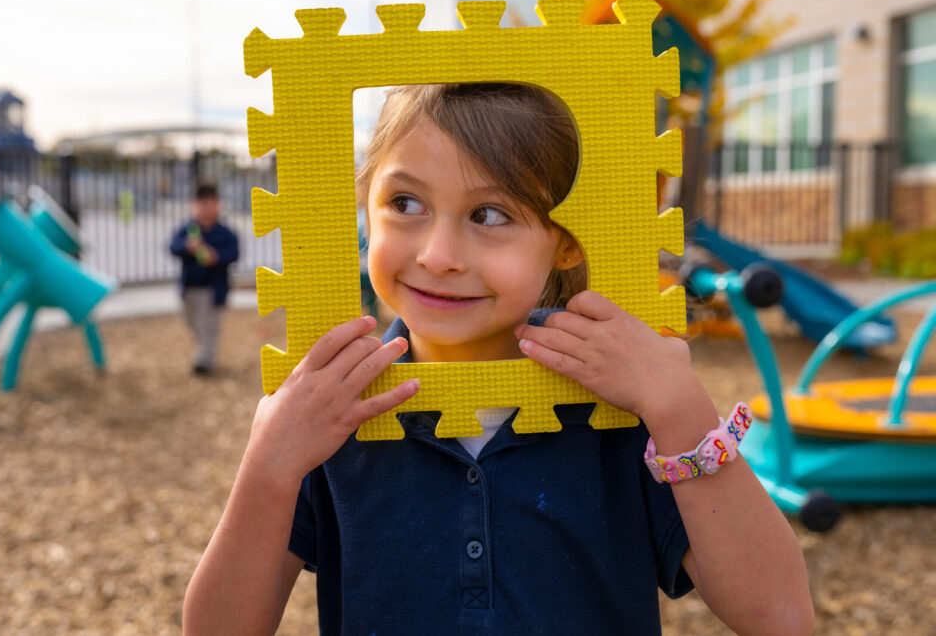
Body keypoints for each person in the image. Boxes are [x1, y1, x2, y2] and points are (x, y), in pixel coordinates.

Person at [183, 84, 814, 634]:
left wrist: (679, 407)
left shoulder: (623, 407)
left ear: (565, 241)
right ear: (363, 207)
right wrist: (269, 463)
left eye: (489, 213)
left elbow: (779, 617)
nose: (438, 254)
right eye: (405, 203)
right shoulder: (332, 411)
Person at [169, 183, 240, 375]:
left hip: (212, 289)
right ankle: (203, 349)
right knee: (191, 321)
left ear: (218, 205)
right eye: (201, 204)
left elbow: (233, 253)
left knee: (208, 324)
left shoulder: (225, 232)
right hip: (189, 287)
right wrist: (187, 247)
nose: (205, 208)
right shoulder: (188, 229)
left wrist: (215, 256)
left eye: (210, 204)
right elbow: (173, 246)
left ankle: (204, 360)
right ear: (194, 205)